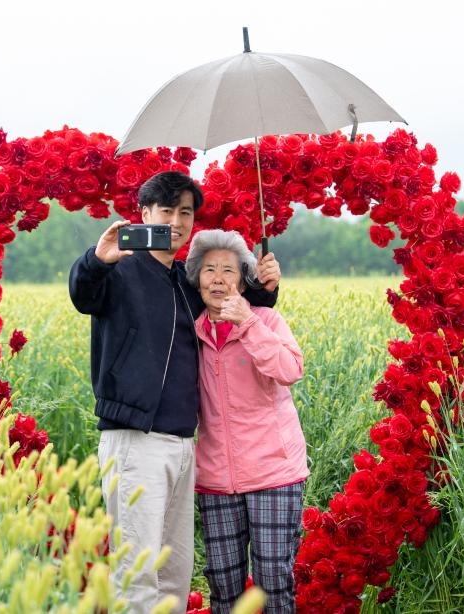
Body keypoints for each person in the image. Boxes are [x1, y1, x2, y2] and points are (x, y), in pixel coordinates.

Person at [68, 171, 281, 612]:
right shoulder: (120, 270)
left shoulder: (186, 283)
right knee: (138, 570)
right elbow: (83, 294)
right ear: (144, 214)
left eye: (186, 212)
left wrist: (265, 288)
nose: (177, 221)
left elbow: (234, 307)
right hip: (135, 440)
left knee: (175, 573)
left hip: (184, 445)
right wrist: (96, 258)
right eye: (167, 210)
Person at [184, 229, 308, 614]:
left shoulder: (266, 320)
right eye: (208, 270)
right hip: (217, 480)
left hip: (274, 473)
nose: (218, 279)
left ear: (243, 280)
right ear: (196, 279)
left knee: (273, 582)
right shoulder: (193, 332)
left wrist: (247, 324)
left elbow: (289, 369)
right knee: (223, 586)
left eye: (228, 271)